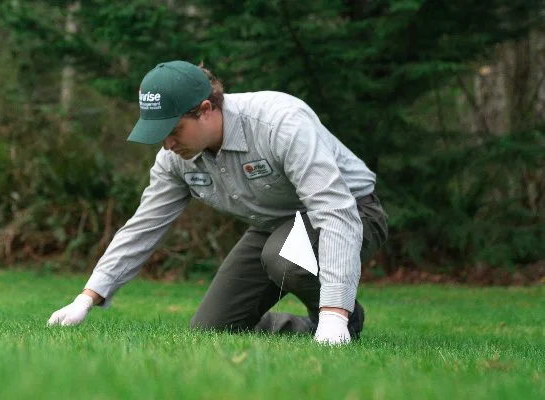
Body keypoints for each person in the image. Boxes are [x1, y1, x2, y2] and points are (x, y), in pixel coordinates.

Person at [46, 60, 388, 345]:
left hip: (353, 212)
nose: (166, 144)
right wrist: (88, 297)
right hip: (276, 228)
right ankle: (316, 330)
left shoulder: (280, 122)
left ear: (206, 110)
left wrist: (333, 313)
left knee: (283, 256)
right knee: (211, 328)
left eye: (174, 129)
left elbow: (334, 210)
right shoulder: (175, 159)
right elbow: (143, 226)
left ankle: (337, 319)